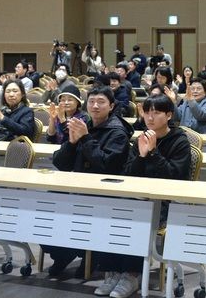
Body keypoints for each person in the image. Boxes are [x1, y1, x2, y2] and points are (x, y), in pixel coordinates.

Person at [91, 94, 191, 298]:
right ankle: (112, 272)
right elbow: (127, 174)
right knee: (109, 210)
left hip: (164, 203)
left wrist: (153, 153)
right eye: (147, 112)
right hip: (137, 198)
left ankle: (131, 274)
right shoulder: (140, 139)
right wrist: (142, 155)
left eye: (156, 113)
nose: (150, 118)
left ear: (169, 115)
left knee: (134, 215)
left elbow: (175, 177)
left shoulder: (180, 141)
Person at [44, 85, 133, 280]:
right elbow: (60, 163)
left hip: (104, 193)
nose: (95, 106)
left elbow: (106, 166)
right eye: (91, 102)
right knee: (44, 207)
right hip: (78, 188)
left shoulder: (118, 133)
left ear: (111, 106)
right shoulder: (85, 125)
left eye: (101, 102)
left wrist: (84, 138)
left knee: (75, 210)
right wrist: (73, 142)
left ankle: (89, 255)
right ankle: (64, 253)